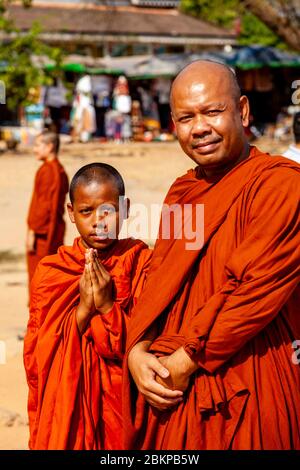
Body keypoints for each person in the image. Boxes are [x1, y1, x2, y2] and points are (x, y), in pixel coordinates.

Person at [124, 60, 300, 450]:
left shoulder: (281, 185)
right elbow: (159, 281)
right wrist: (137, 350)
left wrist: (185, 361)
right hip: (171, 387)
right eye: (185, 117)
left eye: (213, 112)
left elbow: (253, 291)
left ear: (242, 111)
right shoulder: (182, 193)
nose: (199, 127)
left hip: (250, 378)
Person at [23, 162, 152, 450]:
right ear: (71, 213)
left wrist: (107, 307)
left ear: (125, 208)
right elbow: (38, 357)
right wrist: (82, 310)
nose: (98, 222)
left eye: (109, 211)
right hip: (71, 404)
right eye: (86, 211)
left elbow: (148, 344)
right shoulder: (53, 271)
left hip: (121, 405)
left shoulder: (141, 262)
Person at [26, 130, 69, 286]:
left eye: (38, 145)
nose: (34, 149)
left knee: (40, 277)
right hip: (54, 229)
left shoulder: (50, 172)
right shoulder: (59, 170)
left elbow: (44, 207)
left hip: (43, 234)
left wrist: (32, 231)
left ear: (49, 146)